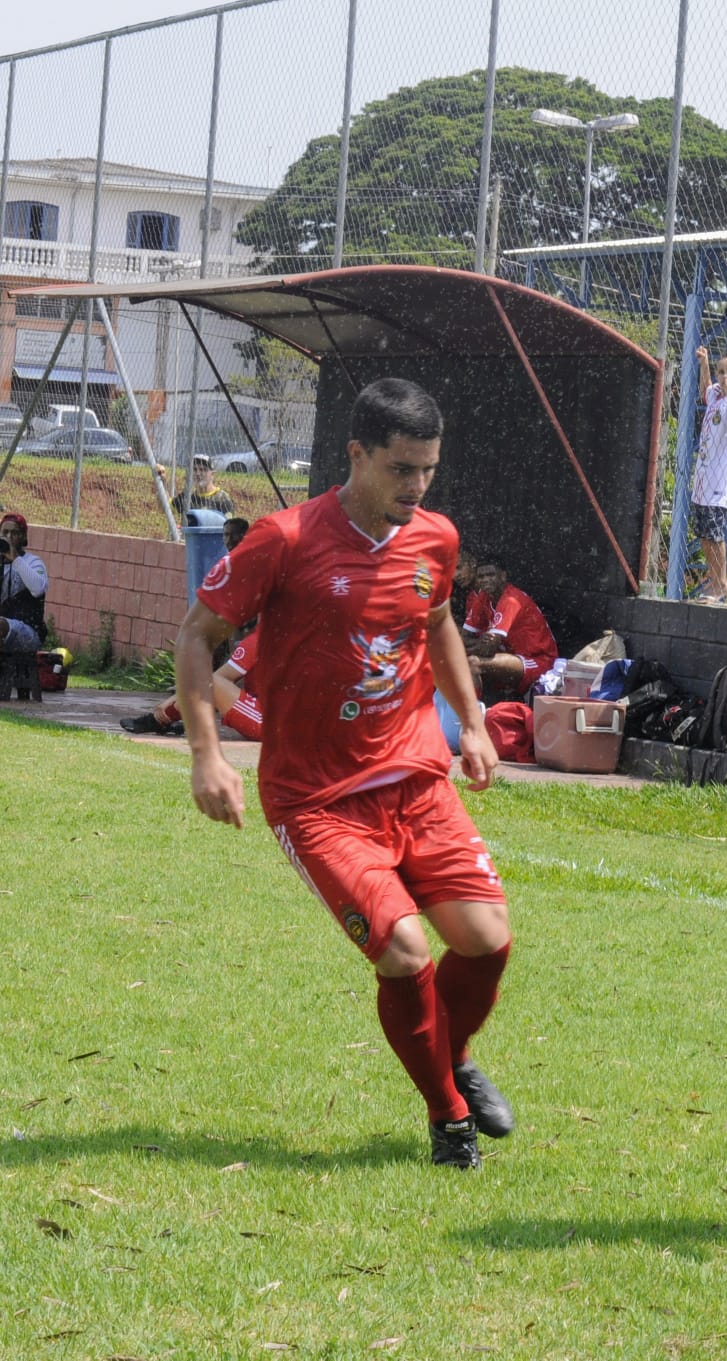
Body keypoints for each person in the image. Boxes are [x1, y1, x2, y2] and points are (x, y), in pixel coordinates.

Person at [174, 377, 513, 1172]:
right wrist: (206, 754)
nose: (417, 486)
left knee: (487, 941)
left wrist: (472, 725)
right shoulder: (285, 540)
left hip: (416, 779)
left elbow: (436, 627)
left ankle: (448, 1056)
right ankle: (448, 1115)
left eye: (428, 469)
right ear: (356, 455)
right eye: (401, 469)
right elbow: (198, 636)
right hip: (315, 798)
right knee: (402, 948)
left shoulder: (436, 539)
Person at [689, 345, 727, 604]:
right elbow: (705, 390)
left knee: (715, 534)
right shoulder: (714, 393)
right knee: (704, 533)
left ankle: (721, 581)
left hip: (721, 478)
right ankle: (715, 580)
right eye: (721, 371)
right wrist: (704, 364)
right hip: (703, 476)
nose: (725, 377)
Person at [120, 632, 264, 739]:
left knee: (212, 684)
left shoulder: (259, 640)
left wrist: (175, 697)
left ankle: (158, 720)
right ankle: (162, 719)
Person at [462, 560, 559, 703]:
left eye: (491, 575)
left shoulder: (511, 599)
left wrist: (473, 646)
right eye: (481, 577)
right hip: (512, 656)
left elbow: (488, 649)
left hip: (539, 661)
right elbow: (463, 638)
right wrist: (478, 644)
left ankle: (471, 718)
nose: (485, 580)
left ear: (503, 576)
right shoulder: (483, 597)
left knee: (473, 663)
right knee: (454, 659)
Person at [0, 510, 48, 657]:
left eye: (14, 533)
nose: (8, 537)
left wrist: (15, 558)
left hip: (28, 631)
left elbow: (38, 589)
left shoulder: (33, 562)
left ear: (23, 537)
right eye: (5, 532)